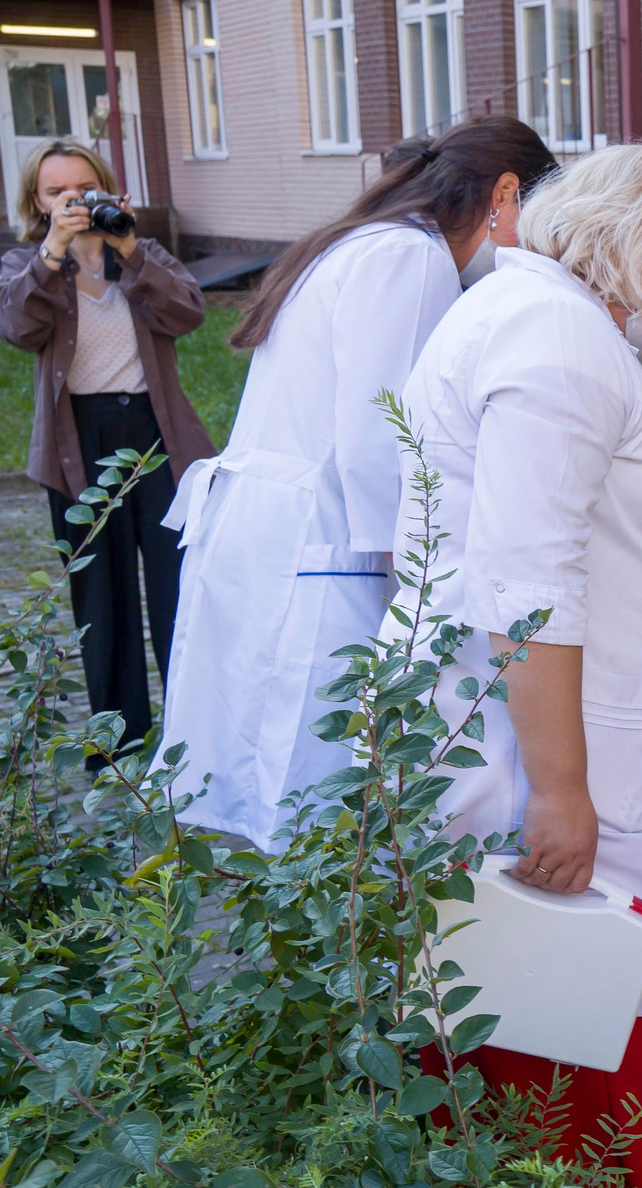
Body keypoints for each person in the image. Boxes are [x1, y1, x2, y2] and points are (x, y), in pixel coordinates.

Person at [406, 143, 642, 1188]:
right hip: (556, 746)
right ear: (639, 248)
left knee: (511, 972)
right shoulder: (557, 343)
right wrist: (561, 790)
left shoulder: (525, 315)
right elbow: (529, 584)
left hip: (531, 723)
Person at [159, 116, 558, 846]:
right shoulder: (411, 255)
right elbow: (382, 437)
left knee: (279, 773)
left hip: (282, 529)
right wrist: (418, 582)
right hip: (324, 542)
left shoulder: (368, 239)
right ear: (506, 193)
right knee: (319, 784)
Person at [0, 138, 211, 745]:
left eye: (81, 188)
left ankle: (191, 732)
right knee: (101, 597)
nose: (71, 200)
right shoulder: (25, 266)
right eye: (55, 191)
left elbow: (188, 312)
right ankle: (122, 741)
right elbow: (16, 326)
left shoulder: (142, 255)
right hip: (77, 443)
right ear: (36, 202)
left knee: (177, 588)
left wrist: (130, 249)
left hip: (155, 438)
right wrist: (54, 251)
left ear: (108, 189)